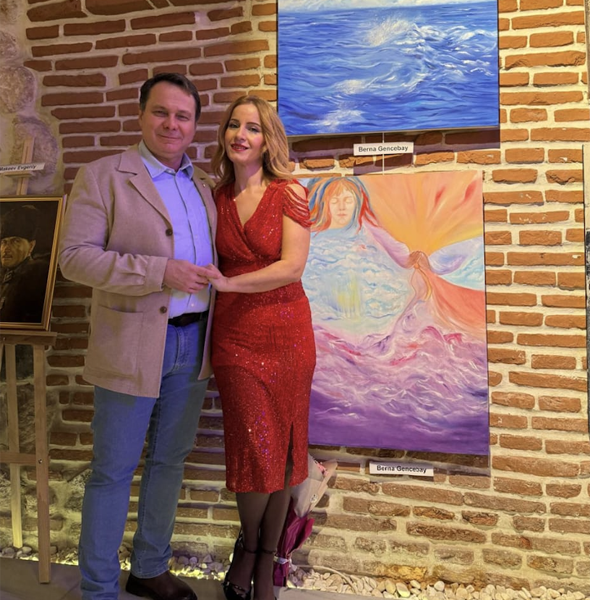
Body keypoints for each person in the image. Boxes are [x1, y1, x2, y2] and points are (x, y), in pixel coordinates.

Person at [59, 72, 217, 600]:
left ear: (195, 125)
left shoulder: (202, 184)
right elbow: (74, 259)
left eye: (183, 116)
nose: (172, 124)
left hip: (194, 344)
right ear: (141, 114)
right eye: (161, 112)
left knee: (169, 462)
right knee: (112, 470)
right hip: (131, 343)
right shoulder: (103, 175)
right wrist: (158, 272)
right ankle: (98, 589)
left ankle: (149, 569)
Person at [202, 96, 315, 600]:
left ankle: (267, 559)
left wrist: (229, 284)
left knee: (285, 451)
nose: (240, 135)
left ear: (268, 141)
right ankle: (249, 548)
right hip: (235, 339)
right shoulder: (216, 196)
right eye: (233, 125)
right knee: (254, 450)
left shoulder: (290, 192)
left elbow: (292, 266)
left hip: (288, 334)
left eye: (253, 128)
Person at [0, 204, 50, 324]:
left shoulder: (34, 277)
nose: (6, 248)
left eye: (15, 241)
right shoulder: (7, 276)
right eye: (4, 242)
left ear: (31, 246)